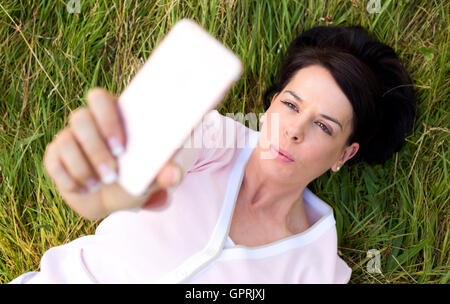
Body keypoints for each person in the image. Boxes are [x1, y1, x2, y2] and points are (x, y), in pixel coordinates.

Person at [9, 25, 416, 284]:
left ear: (344, 154)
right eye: (291, 105)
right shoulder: (212, 138)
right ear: (271, 104)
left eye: (323, 126)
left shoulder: (319, 268)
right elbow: (141, 176)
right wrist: (105, 191)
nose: (293, 130)